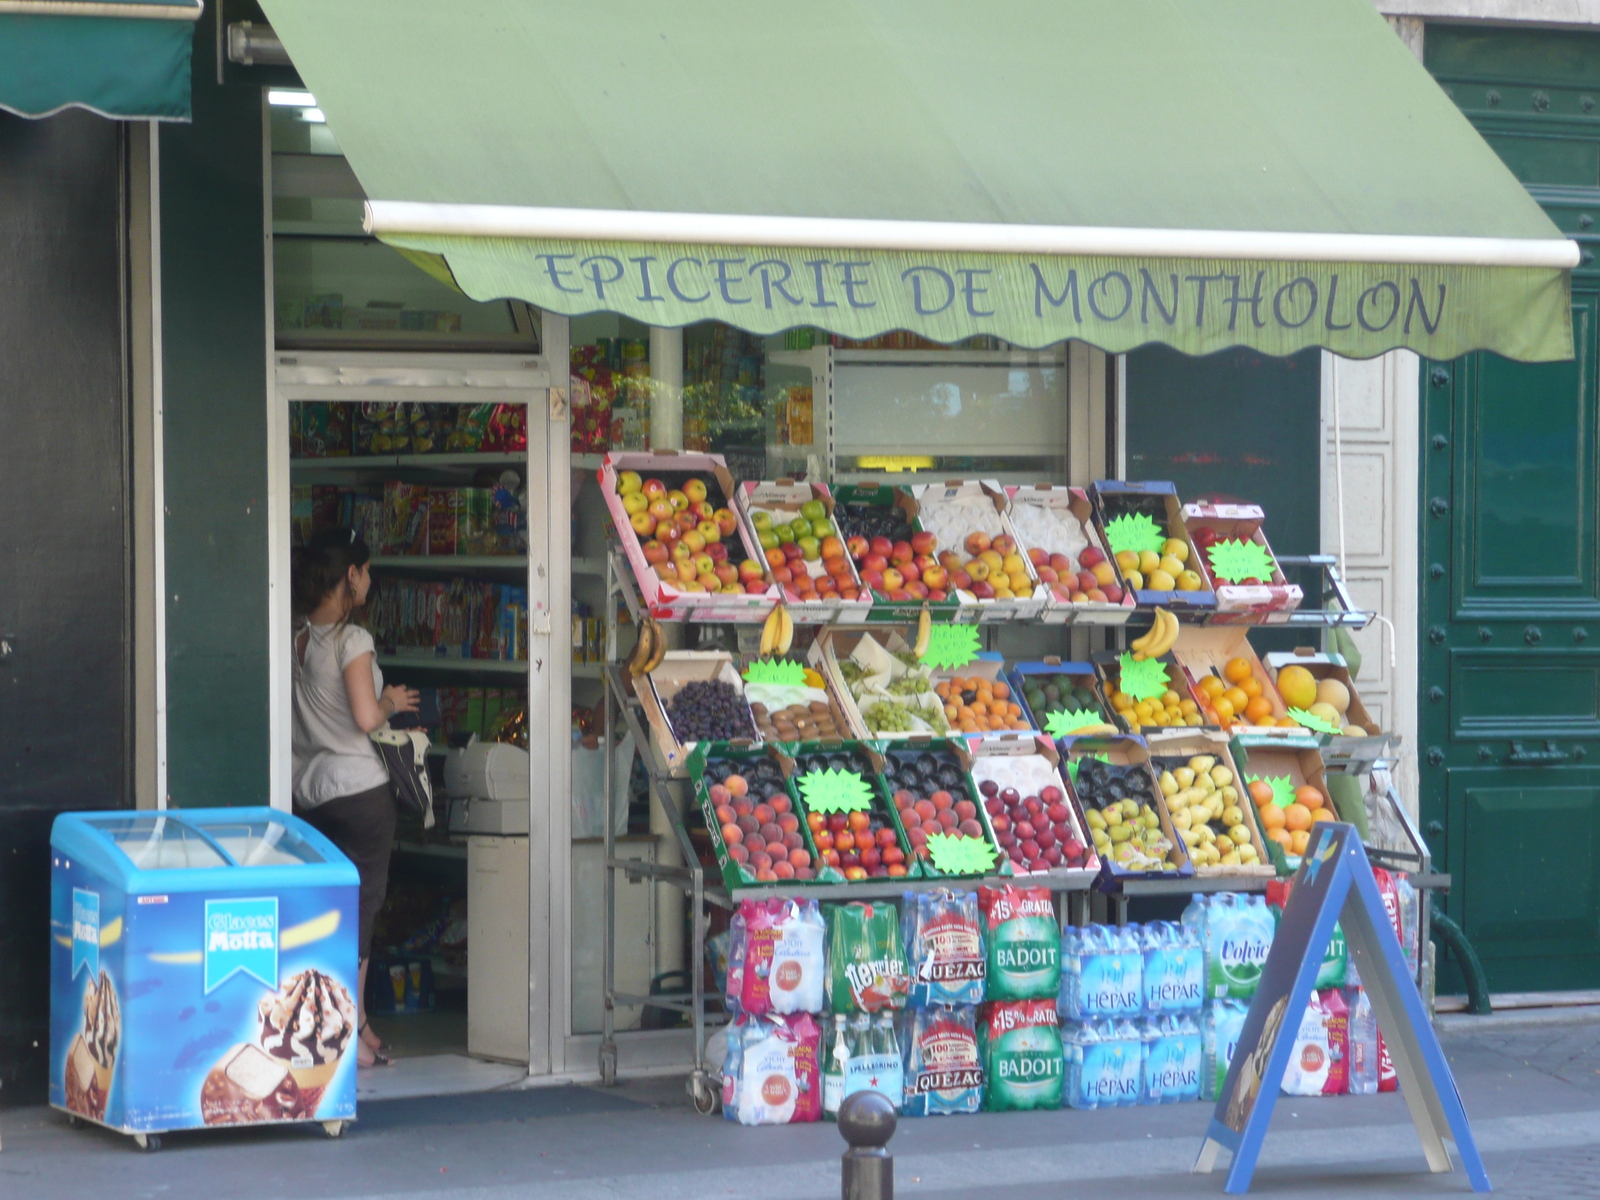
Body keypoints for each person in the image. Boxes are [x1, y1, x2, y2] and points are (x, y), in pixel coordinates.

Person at [291, 527, 419, 1068]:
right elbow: (367, 717)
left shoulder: (296, 636)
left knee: (320, 910)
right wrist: (391, 700)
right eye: (366, 572)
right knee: (361, 907)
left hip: (310, 792)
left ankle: (334, 1022)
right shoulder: (353, 641)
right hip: (360, 791)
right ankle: (351, 1026)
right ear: (351, 575)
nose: (370, 581)